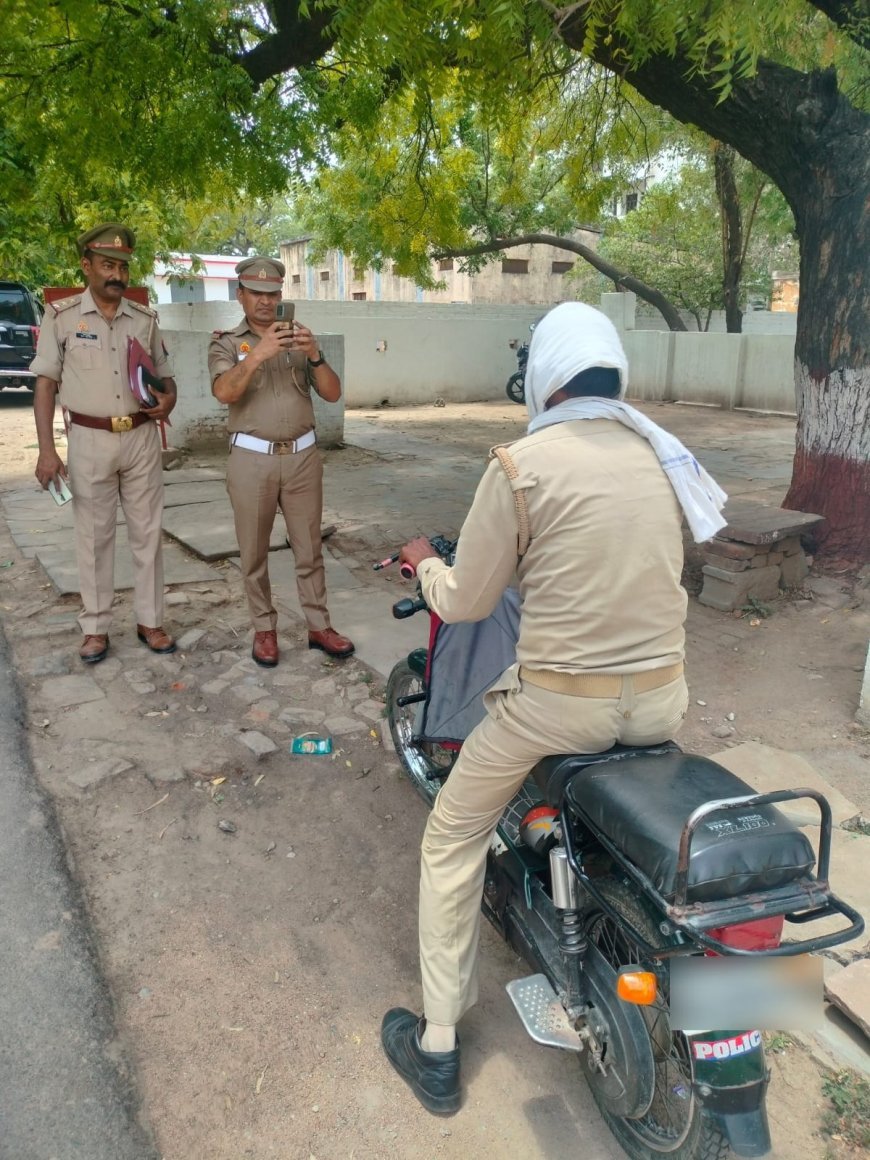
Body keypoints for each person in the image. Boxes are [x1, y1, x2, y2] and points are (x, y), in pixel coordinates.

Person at [380, 301, 727, 1115]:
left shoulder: (520, 465)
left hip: (560, 710)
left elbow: (468, 603)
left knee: (451, 836)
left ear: (542, 377)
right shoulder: (660, 454)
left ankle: (435, 1044)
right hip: (660, 700)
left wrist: (426, 563)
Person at [31, 223, 178, 664]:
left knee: (148, 533)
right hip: (89, 438)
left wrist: (169, 398)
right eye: (108, 265)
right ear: (87, 265)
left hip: (140, 437)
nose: (117, 274)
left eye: (123, 266)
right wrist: (46, 450)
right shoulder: (62, 317)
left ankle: (150, 620)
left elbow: (165, 378)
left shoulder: (145, 319)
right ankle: (95, 627)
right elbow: (45, 385)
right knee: (93, 537)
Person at [207, 257, 354, 667]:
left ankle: (319, 626)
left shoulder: (301, 341)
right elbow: (224, 392)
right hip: (252, 460)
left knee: (309, 549)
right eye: (257, 294)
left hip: (303, 457)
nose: (266, 302)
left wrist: (316, 355)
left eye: (273, 294)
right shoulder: (225, 343)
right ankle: (265, 630)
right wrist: (257, 354)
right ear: (241, 296)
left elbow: (331, 393)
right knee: (253, 552)